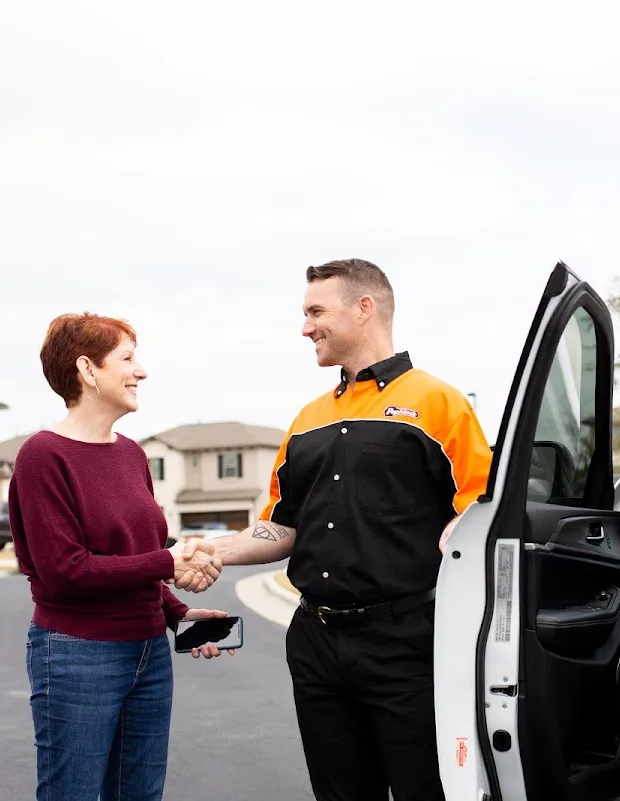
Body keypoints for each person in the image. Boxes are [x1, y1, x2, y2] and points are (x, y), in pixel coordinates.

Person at [182, 259, 494, 801]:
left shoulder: (440, 405)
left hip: (408, 644)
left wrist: (458, 528)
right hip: (315, 644)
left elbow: (483, 511)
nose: (306, 328)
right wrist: (215, 550)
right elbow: (280, 528)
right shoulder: (306, 420)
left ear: (364, 308)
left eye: (316, 312)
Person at [9, 312, 236, 801]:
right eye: (128, 359)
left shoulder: (132, 455)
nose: (142, 371)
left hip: (150, 653)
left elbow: (139, 557)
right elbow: (66, 571)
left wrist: (179, 614)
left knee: (140, 795)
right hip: (77, 655)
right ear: (88, 370)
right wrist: (169, 562)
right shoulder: (43, 456)